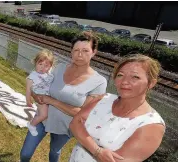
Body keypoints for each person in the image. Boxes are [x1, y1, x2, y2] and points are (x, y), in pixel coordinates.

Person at [20, 31, 108, 162]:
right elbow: (39, 83)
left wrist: (52, 101)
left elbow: (83, 114)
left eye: (85, 50)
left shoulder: (99, 82)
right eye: (76, 50)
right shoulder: (59, 67)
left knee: (54, 152)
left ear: (94, 52)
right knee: (26, 153)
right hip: (43, 118)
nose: (79, 55)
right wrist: (34, 94)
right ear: (71, 51)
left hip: (65, 127)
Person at [69, 54, 165, 162]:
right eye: (120, 75)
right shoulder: (104, 99)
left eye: (135, 77)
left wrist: (86, 140)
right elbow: (75, 123)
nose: (124, 82)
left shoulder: (151, 124)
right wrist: (97, 151)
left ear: (151, 83)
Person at [26, 49, 55, 136]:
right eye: (40, 64)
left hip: (48, 98)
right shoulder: (32, 76)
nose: (42, 67)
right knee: (44, 115)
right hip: (40, 99)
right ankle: (32, 124)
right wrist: (28, 100)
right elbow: (28, 90)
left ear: (50, 67)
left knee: (46, 114)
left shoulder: (48, 75)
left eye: (46, 65)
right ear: (35, 63)